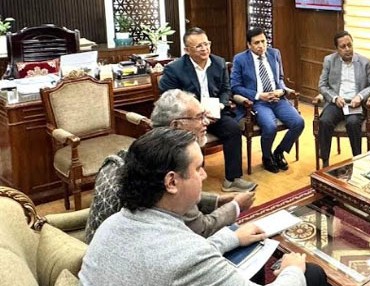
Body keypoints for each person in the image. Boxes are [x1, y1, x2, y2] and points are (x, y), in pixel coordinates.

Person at [78, 127, 328, 286]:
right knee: (313, 276)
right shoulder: (185, 258)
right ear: (171, 182)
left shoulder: (111, 226)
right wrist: (293, 271)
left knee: (247, 254)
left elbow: (173, 260)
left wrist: (231, 238)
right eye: (198, 168)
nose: (205, 175)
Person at [84, 90, 255, 243]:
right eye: (199, 117)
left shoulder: (143, 148)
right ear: (176, 125)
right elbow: (201, 230)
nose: (206, 122)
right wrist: (236, 206)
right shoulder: (168, 163)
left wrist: (218, 200)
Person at [159, 27, 256, 192]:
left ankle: (232, 180)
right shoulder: (174, 69)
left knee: (233, 129)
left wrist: (220, 105)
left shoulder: (219, 63)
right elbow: (169, 98)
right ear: (187, 50)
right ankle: (190, 182)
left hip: (215, 113)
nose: (204, 49)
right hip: (189, 118)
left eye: (206, 44)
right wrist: (193, 112)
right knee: (189, 138)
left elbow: (226, 90)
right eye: (199, 46)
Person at [231, 27, 304, 173]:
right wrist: (259, 95)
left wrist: (281, 90)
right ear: (249, 45)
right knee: (270, 127)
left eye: (263, 41)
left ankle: (279, 152)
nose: (261, 46)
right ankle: (267, 157)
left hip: (277, 99)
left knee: (298, 122)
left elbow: (280, 78)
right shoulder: (240, 59)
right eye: (256, 43)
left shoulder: (274, 53)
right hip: (258, 102)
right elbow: (235, 86)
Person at [317, 30, 370, 167]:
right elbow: (322, 85)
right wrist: (334, 98)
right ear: (337, 49)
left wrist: (360, 96)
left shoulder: (365, 62)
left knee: (352, 123)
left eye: (349, 45)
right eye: (343, 46)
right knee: (325, 121)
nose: (347, 49)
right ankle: (325, 161)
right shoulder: (329, 61)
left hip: (356, 104)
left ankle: (358, 160)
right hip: (337, 102)